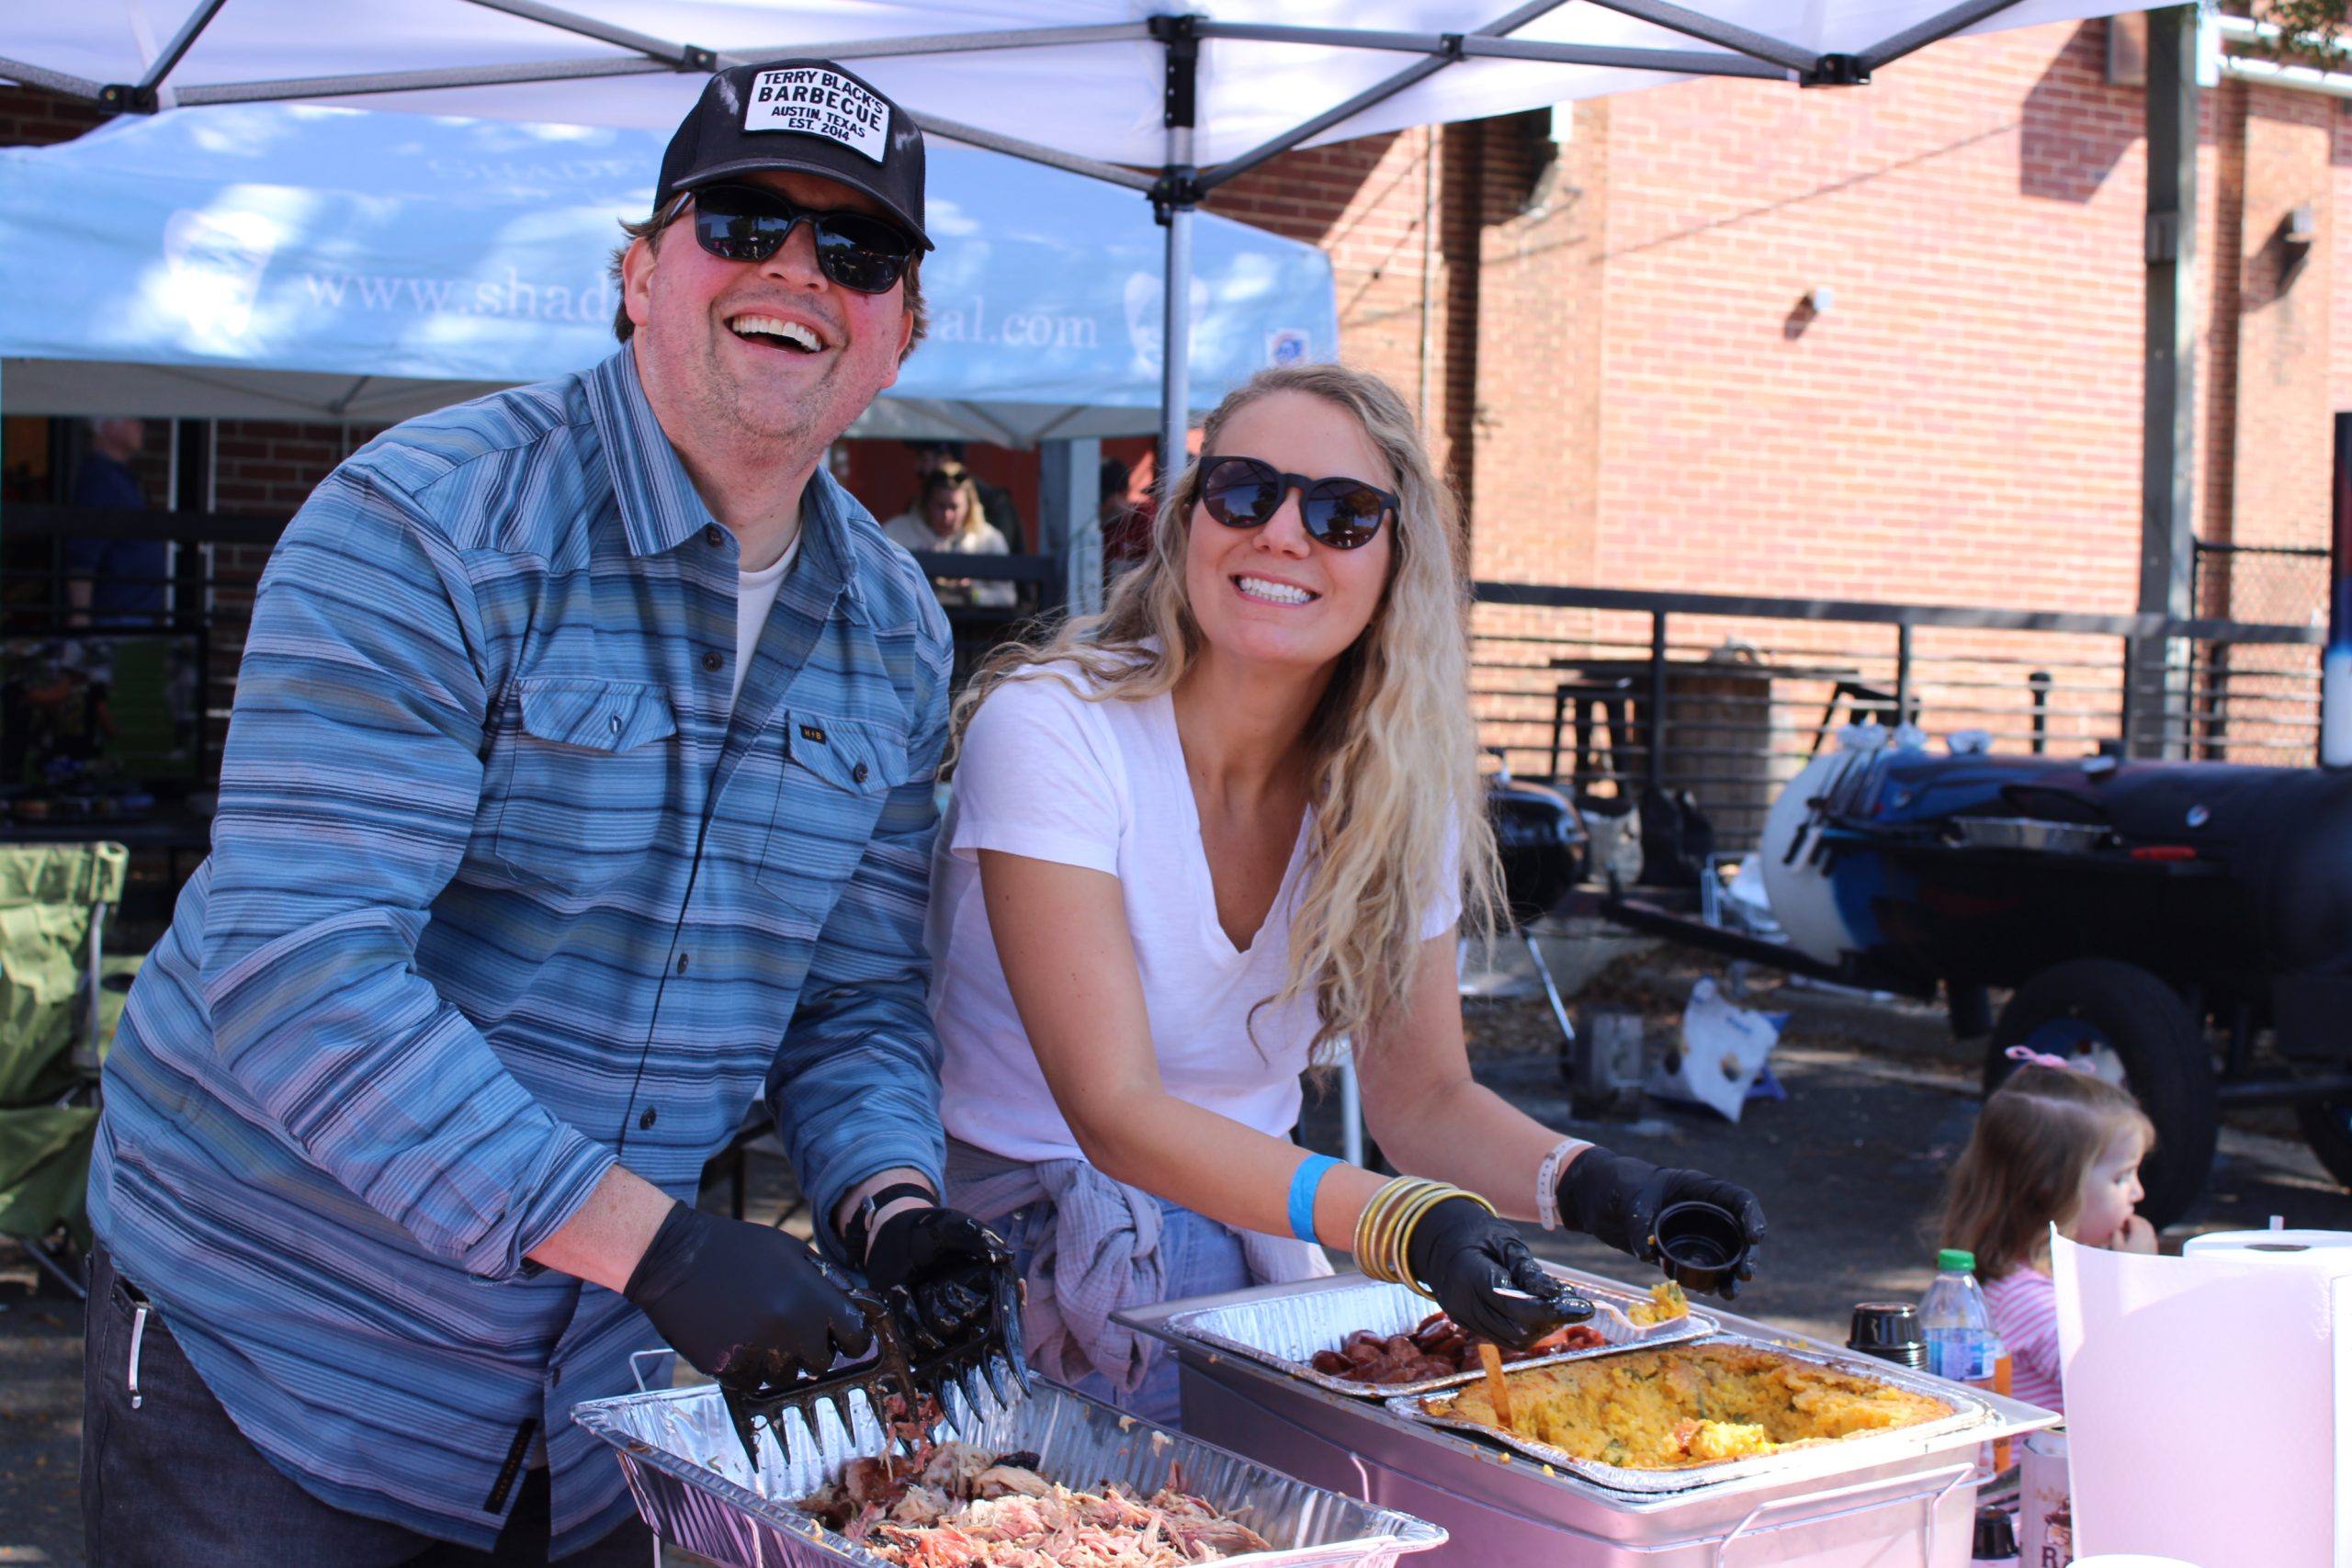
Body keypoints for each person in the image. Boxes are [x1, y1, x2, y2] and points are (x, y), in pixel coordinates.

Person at [82, 59, 1005, 1566]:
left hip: (593, 1414)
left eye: (859, 251)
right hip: (277, 1364)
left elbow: (853, 1003)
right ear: (639, 273)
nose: (796, 271)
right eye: (745, 222)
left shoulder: (895, 629)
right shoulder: (423, 526)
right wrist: (655, 1241)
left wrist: (895, 1205)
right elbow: (299, 971)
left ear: (899, 332)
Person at [928, 363, 1767, 1424]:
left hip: (1256, 1253)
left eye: (1340, 514)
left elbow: (1422, 1101)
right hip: (1012, 1264)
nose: (1283, 534)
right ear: (1189, 521)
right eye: (1245, 491)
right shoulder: (1053, 727)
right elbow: (1116, 1113)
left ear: (1393, 566)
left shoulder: (1394, 788)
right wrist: (1407, 1224)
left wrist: (1603, 1185)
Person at [1939, 1048, 2156, 1416]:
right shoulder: (2030, 1301)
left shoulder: (2048, 1278)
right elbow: (2129, 1384)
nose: (2138, 1192)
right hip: (2039, 1470)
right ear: (2051, 1190)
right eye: (2121, 1177)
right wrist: (2136, 1276)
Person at [64, 417, 170, 629]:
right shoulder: (99, 478)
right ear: (107, 426)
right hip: (116, 613)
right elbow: (83, 550)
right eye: (132, 419)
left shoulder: (120, 477)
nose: (141, 426)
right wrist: (81, 614)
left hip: (134, 609)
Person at [884, 467, 1015, 608]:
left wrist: (972, 594)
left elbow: (1008, 596)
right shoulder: (895, 531)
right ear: (926, 504)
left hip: (974, 626)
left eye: (954, 507)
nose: (947, 516)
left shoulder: (989, 539)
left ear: (969, 506)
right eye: (940, 506)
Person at [907, 437, 1024, 552]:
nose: (917, 467)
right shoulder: (914, 508)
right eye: (940, 506)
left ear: (946, 459)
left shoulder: (995, 506)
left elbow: (1006, 564)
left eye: (924, 459)